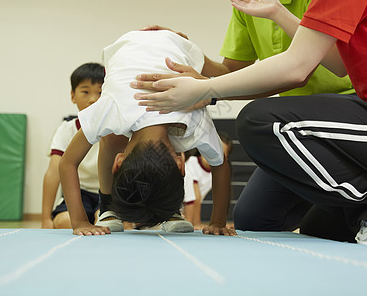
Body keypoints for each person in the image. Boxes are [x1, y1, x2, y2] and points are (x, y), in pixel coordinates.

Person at [134, 0, 367, 249]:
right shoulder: (249, 5)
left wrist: (206, 90)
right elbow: (339, 62)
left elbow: (298, 69)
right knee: (262, 220)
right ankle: (364, 201)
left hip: (353, 113)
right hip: (297, 129)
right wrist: (188, 52)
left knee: (258, 121)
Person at [59, 30, 236, 236]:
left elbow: (67, 162)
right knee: (111, 135)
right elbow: (221, 163)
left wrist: (79, 222)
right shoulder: (192, 120)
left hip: (154, 45)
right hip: (142, 46)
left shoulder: (192, 118)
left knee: (113, 133)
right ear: (181, 164)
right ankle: (108, 207)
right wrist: (218, 222)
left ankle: (169, 211)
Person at [41, 63, 104, 229]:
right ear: (73, 95)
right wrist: (46, 219)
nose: (93, 99)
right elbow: (53, 172)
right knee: (64, 222)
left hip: (107, 191)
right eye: (85, 92)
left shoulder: (116, 129)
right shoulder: (66, 129)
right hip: (78, 191)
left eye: (100, 93)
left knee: (104, 220)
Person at [183, 132, 233, 229]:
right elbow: (194, 196)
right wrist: (195, 223)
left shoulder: (216, 173)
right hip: (183, 208)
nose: (213, 157)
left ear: (225, 159)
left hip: (190, 211)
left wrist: (221, 223)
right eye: (211, 152)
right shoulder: (192, 162)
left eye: (219, 155)